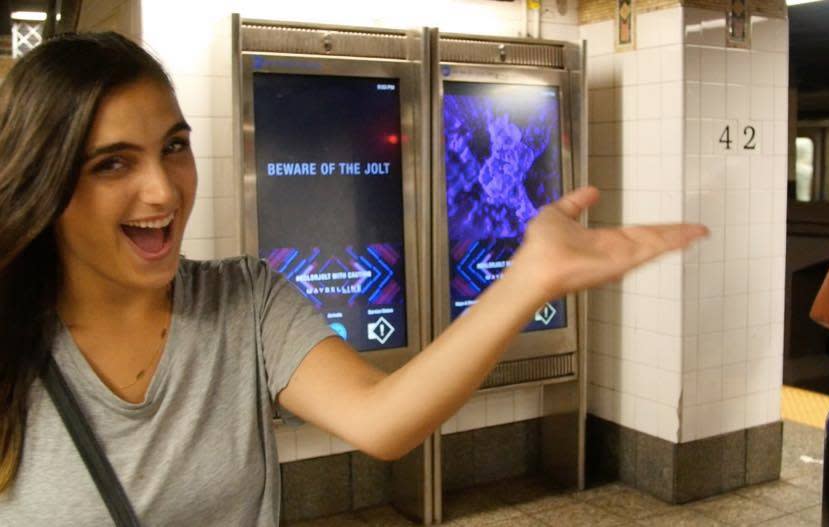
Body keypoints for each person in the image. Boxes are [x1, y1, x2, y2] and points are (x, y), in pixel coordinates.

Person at [0, 32, 706, 524]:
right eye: (112, 163)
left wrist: (529, 278)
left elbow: (382, 418)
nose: (162, 190)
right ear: (45, 179)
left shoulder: (246, 299)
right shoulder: (14, 342)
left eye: (174, 147)